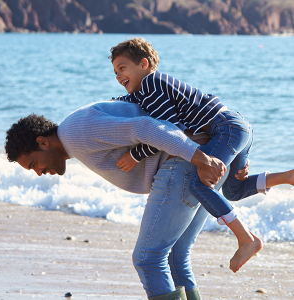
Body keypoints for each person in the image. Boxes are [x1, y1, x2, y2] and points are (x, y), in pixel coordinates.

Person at [5, 101, 294, 300]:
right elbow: (138, 111)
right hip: (194, 161)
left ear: (43, 142)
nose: (39, 172)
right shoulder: (77, 128)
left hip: (186, 164)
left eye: (33, 164)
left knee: (148, 258)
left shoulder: (75, 132)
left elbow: (144, 127)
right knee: (174, 256)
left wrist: (200, 157)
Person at [110, 37, 275, 272]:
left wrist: (137, 154)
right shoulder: (147, 89)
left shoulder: (150, 84)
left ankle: (246, 239)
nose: (117, 76)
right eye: (115, 72)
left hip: (226, 129)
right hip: (239, 126)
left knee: (199, 184)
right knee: (233, 190)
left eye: (122, 68)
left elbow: (169, 131)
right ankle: (287, 177)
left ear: (144, 64)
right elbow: (127, 102)